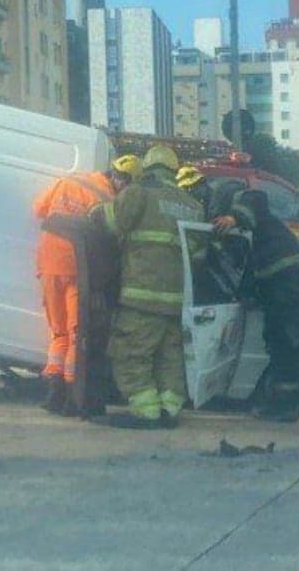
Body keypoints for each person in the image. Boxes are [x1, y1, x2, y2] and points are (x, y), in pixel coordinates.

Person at [213, 187, 299, 422]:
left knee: (284, 348)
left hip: (282, 297)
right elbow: (253, 269)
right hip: (293, 294)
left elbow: (254, 198)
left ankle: (284, 406)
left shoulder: (260, 224)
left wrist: (234, 217)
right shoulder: (270, 232)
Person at [91, 145, 204, 429]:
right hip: (177, 301)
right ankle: (169, 409)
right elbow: (199, 255)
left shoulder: (139, 193)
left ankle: (147, 412)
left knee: (131, 354)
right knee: (170, 358)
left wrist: (94, 209)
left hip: (141, 297)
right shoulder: (193, 206)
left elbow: (111, 221)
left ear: (148, 168)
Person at [33, 154, 142, 415]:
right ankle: (74, 396)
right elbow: (112, 241)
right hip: (78, 267)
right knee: (77, 333)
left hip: (48, 262)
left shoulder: (68, 181)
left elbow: (38, 210)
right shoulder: (108, 201)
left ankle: (53, 392)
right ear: (125, 182)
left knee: (58, 331)